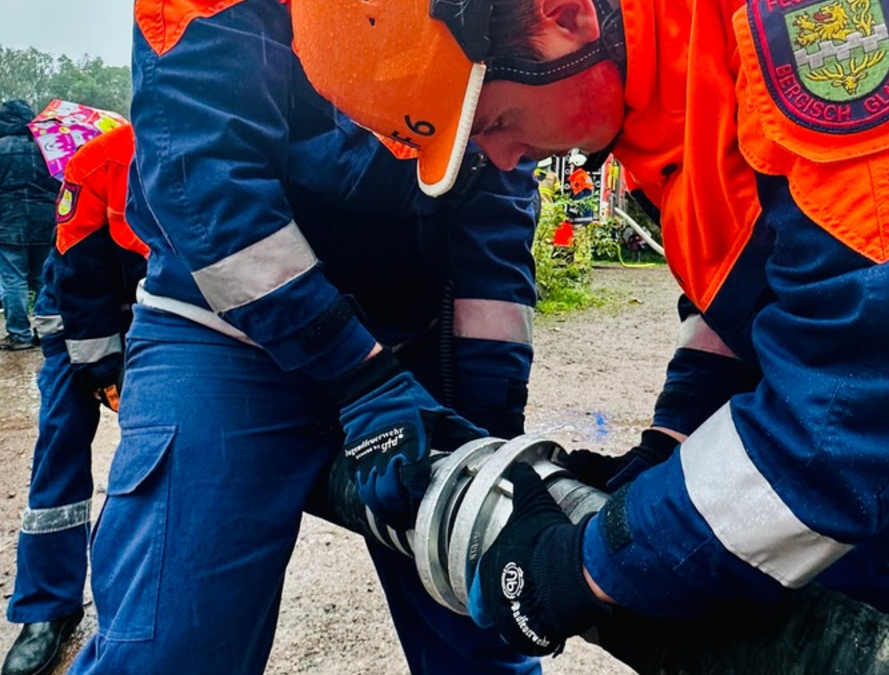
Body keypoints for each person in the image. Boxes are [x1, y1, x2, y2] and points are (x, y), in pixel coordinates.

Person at [288, 1, 889, 673]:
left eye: (496, 123)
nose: (509, 162)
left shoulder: (833, 24)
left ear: (563, 14)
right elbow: (784, 265)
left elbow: (863, 396)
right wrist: (666, 448)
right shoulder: (667, 55)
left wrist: (583, 567)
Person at [67, 3, 540, 674]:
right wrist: (360, 374)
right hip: (223, 330)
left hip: (413, 336)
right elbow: (204, 177)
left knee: (480, 619)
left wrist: (489, 420)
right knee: (173, 650)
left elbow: (497, 188)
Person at [0, 123, 146, 675]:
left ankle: (143, 596)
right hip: (77, 319)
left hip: (159, 315)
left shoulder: (223, 143)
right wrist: (105, 373)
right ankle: (46, 606)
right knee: (61, 437)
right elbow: (80, 279)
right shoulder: (100, 161)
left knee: (160, 447)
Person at [0, 100, 60, 350]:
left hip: (7, 224)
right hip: (46, 223)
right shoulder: (48, 147)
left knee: (13, 280)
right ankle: (48, 331)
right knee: (43, 278)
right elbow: (62, 181)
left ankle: (19, 335)